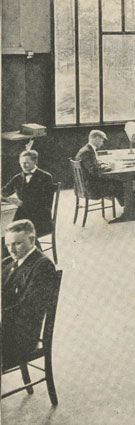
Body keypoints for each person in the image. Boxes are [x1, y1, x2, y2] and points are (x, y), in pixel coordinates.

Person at [2, 219, 58, 369]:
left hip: (22, 337)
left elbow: (29, 308)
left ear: (32, 239)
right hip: (8, 328)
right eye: (8, 245)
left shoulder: (42, 266)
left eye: (17, 244)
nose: (11, 250)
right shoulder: (12, 263)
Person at [2, 150, 55, 236]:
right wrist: (7, 199)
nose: (23, 165)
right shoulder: (17, 178)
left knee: (11, 232)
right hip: (22, 216)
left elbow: (46, 203)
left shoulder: (46, 177)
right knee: (5, 228)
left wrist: (22, 204)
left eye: (26, 162)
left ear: (34, 161)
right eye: (21, 163)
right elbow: (4, 192)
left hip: (40, 219)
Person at [75, 129, 125, 207]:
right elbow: (93, 170)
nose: (102, 143)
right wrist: (109, 168)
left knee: (118, 181)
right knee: (120, 183)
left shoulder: (87, 149)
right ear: (96, 138)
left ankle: (127, 207)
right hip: (90, 188)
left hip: (88, 184)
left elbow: (95, 164)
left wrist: (105, 165)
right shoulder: (87, 152)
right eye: (102, 140)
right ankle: (129, 209)